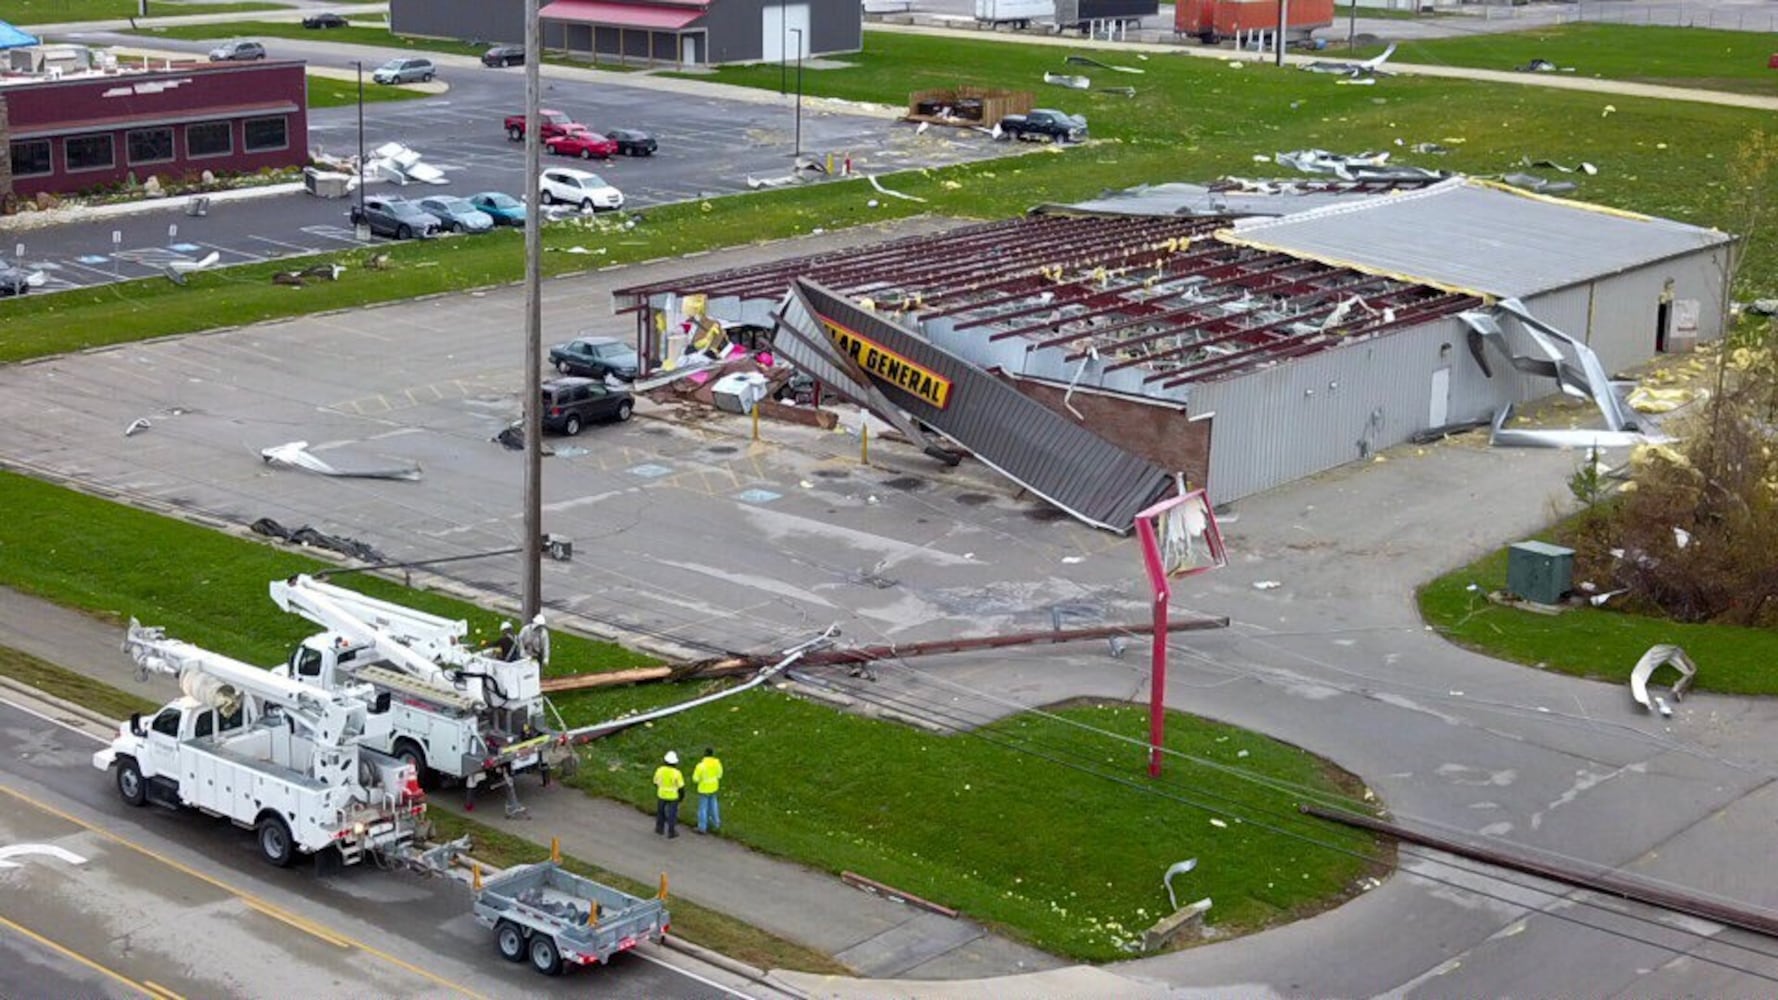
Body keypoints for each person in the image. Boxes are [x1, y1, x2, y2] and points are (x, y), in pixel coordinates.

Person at [653, 750, 685, 838]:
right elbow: (681, 787)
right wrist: (681, 797)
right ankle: (671, 832)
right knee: (672, 814)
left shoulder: (660, 770)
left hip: (662, 795)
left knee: (660, 812)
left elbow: (655, 782)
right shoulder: (677, 773)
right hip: (673, 796)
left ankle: (659, 828)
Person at [692, 747, 723, 834]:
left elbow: (695, 779)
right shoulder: (717, 763)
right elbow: (719, 775)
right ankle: (716, 823)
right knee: (714, 805)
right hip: (714, 787)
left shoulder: (701, 766)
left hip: (704, 789)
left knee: (703, 808)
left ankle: (702, 827)